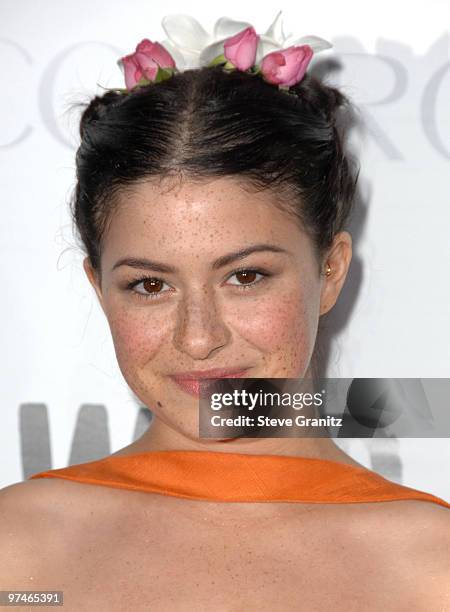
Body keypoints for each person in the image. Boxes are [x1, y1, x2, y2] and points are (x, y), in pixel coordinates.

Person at [1, 18, 449, 610]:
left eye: (246, 276)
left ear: (331, 271)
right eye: (149, 284)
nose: (198, 339)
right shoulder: (18, 555)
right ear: (98, 287)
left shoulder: (434, 566)